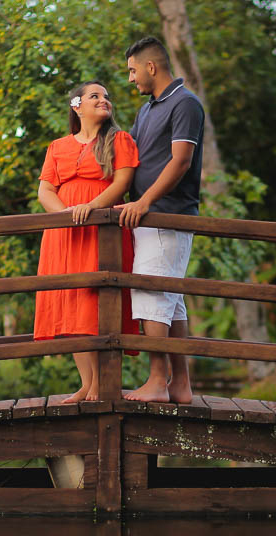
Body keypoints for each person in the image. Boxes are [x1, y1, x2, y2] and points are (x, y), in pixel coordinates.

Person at [35, 81, 141, 403]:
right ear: (76, 105)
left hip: (101, 232)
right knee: (70, 303)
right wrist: (67, 216)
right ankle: (86, 383)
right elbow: (45, 191)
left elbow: (122, 183)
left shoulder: (118, 140)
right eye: (95, 96)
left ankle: (101, 384)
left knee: (96, 302)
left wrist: (91, 209)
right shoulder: (57, 147)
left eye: (107, 97)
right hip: (65, 234)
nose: (104, 100)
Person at [118, 36, 205, 404]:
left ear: (151, 67)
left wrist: (144, 201)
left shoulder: (185, 104)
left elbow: (181, 160)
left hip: (167, 214)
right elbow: (134, 157)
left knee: (153, 293)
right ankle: (180, 385)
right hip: (150, 217)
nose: (131, 78)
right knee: (170, 299)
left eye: (132, 70)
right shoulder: (147, 110)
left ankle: (157, 381)